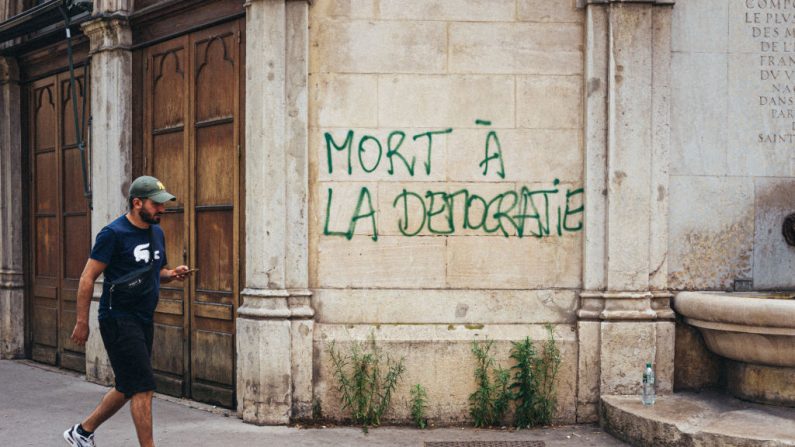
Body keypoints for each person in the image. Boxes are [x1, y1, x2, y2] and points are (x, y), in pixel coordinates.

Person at [63, 176, 192, 447]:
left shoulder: (156, 232)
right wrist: (81, 321)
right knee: (143, 387)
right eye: (156, 205)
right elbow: (87, 278)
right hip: (118, 317)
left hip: (144, 318)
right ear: (137, 203)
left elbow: (155, 272)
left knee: (127, 386)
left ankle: (82, 432)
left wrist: (172, 274)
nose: (162, 210)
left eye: (163, 204)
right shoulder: (113, 234)